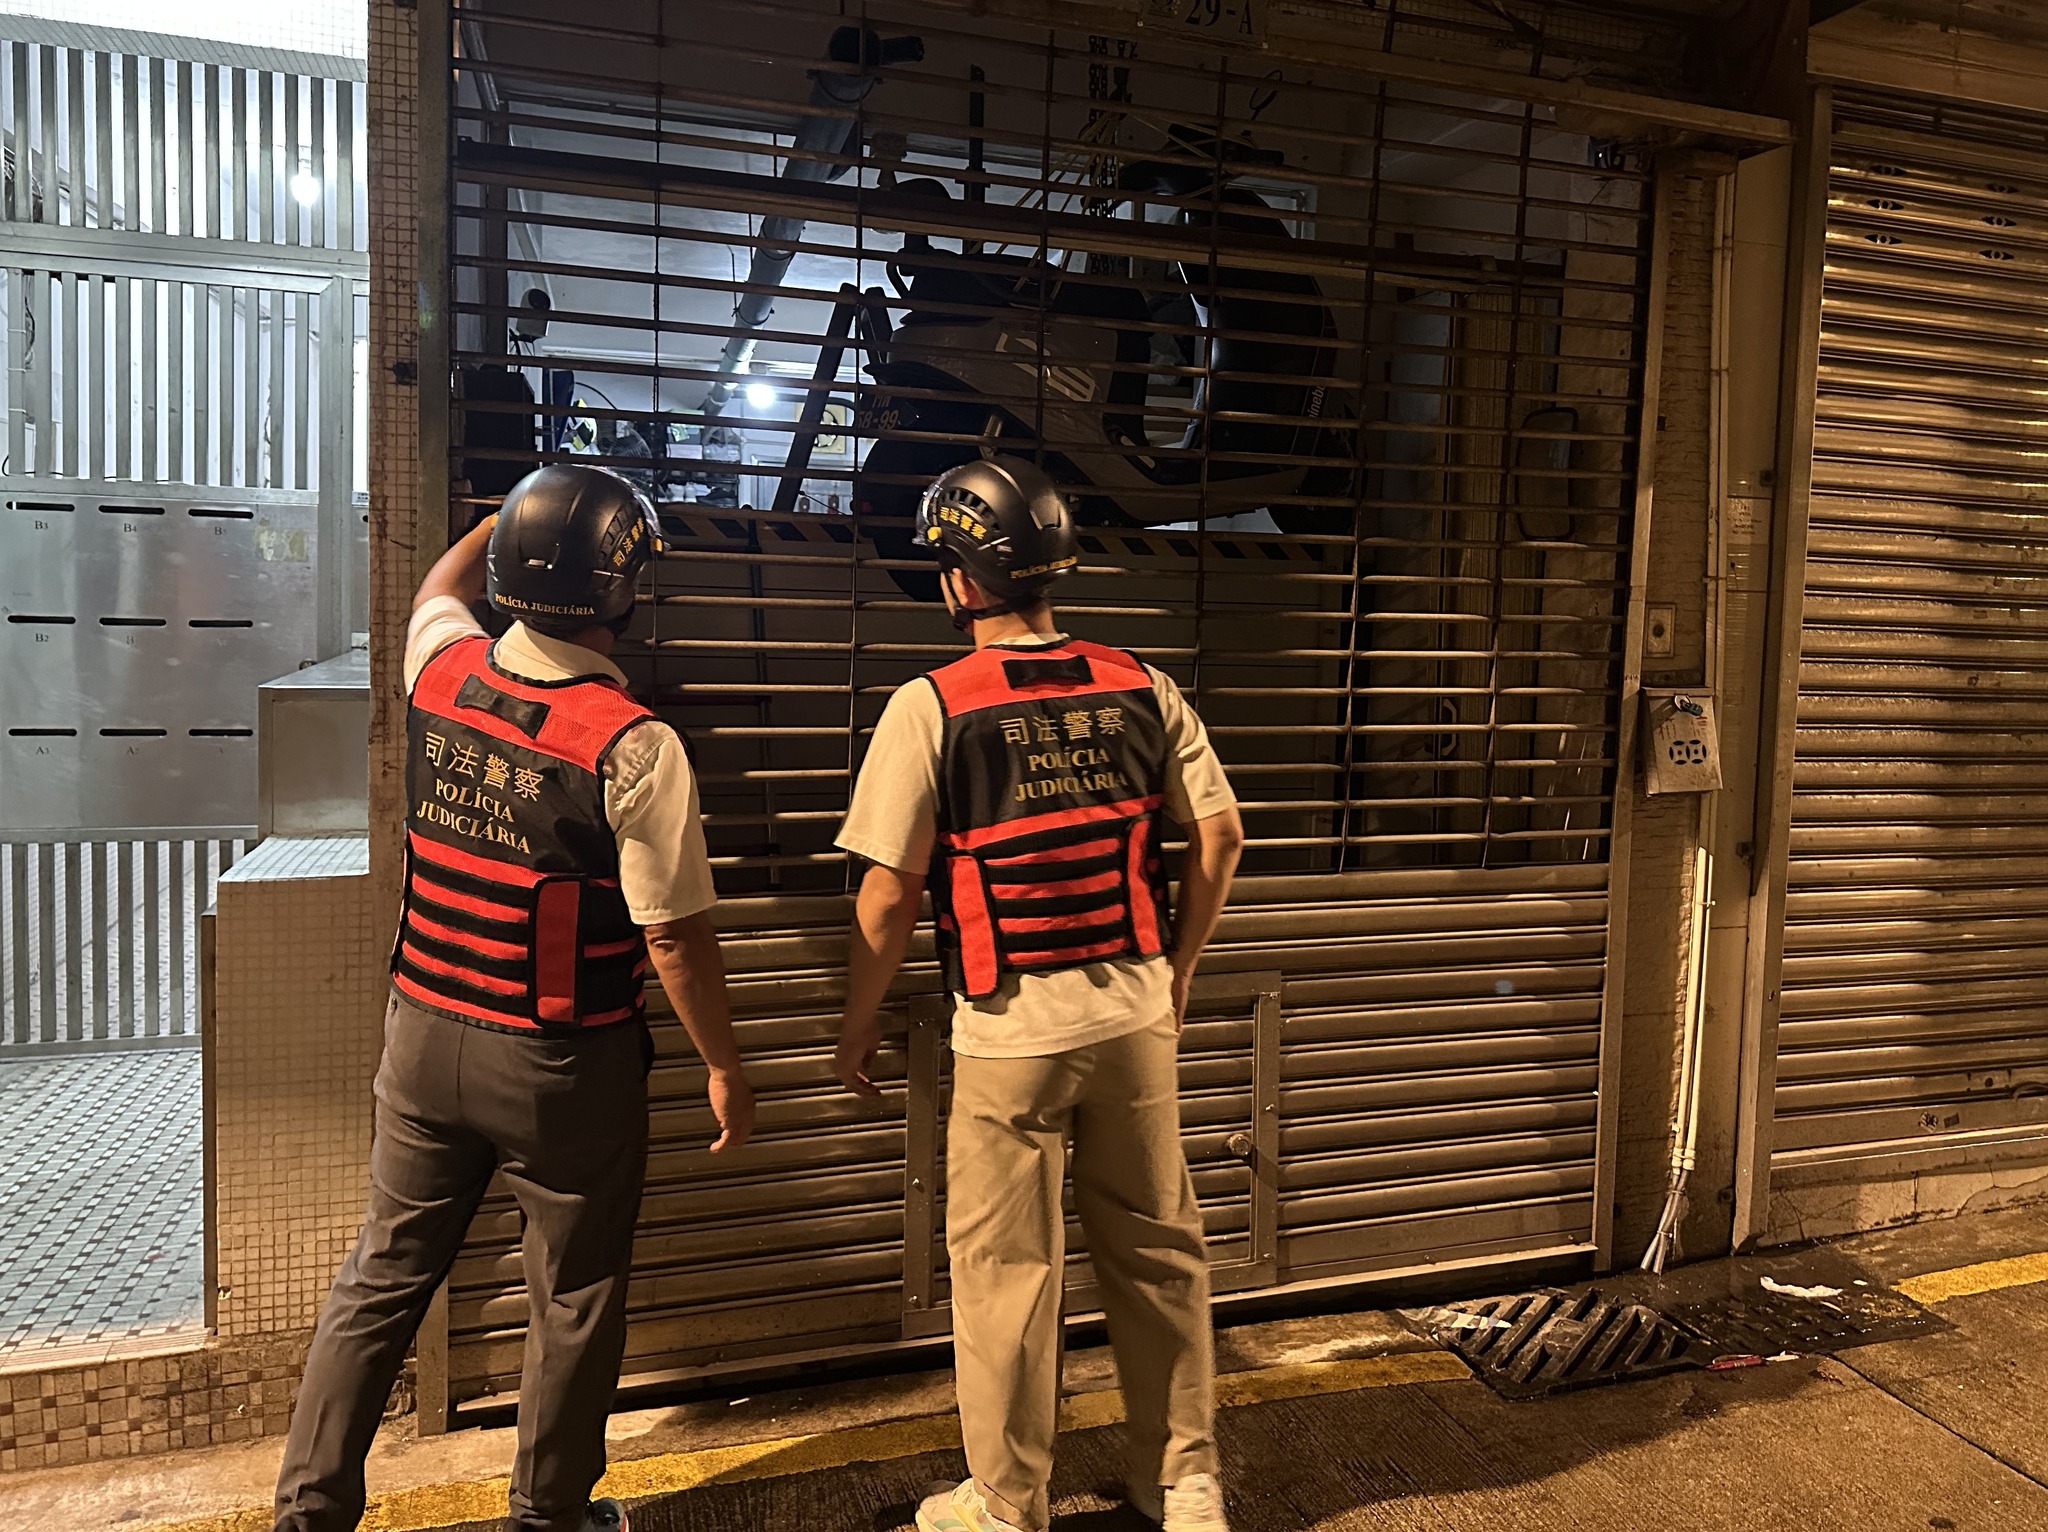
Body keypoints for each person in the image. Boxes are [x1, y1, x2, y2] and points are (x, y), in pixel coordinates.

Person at [274, 464, 755, 1532]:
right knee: (574, 1292)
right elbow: (672, 935)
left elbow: (433, 594)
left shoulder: (439, 670)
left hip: (420, 1033)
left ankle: (307, 1512)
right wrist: (725, 1063)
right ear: (624, 592)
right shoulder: (633, 745)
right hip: (558, 1065)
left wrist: (505, 519)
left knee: (381, 1277)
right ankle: (549, 1516)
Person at [833, 458, 1245, 1532]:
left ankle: (1009, 1501)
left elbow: (887, 893)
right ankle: (1184, 1482)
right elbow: (1219, 838)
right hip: (1134, 1019)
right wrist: (1179, 969)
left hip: (1010, 1034)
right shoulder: (1141, 684)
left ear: (961, 581)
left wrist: (858, 1020)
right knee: (1158, 1251)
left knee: (1008, 1274)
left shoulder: (931, 707)